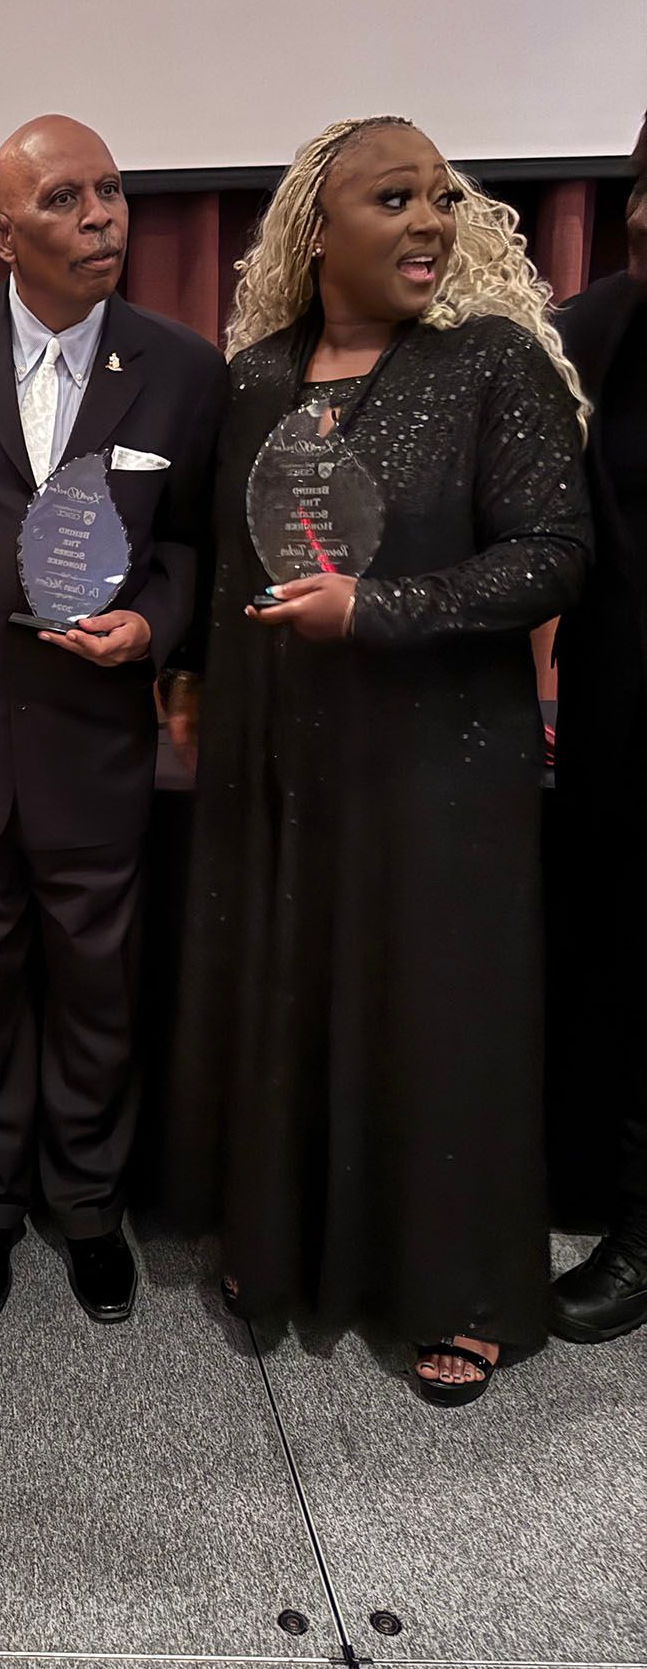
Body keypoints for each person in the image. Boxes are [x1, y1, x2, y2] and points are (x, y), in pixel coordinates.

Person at [166, 116, 592, 1404]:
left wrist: (379, 611)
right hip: (284, 761)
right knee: (289, 984)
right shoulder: (253, 382)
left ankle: (455, 1289)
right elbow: (231, 567)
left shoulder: (491, 364)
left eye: (442, 200)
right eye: (393, 198)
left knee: (437, 1016)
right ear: (317, 231)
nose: (428, 223)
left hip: (441, 766)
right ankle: (285, 1246)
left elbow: (553, 556)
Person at [0, 115, 226, 1326]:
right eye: (69, 200)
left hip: (96, 744)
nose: (103, 220)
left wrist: (156, 626)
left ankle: (86, 1207)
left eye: (115, 195)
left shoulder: (182, 367)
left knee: (97, 987)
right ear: (2, 231)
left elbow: (190, 544)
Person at [551, 109, 647, 1343]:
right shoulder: (588, 335)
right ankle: (637, 1222)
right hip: (622, 720)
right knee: (631, 972)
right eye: (640, 184)